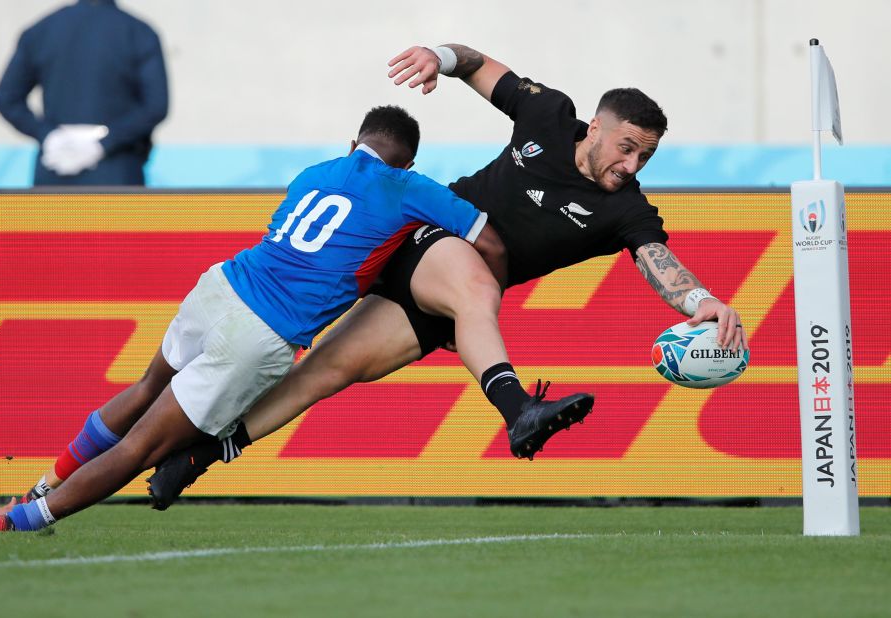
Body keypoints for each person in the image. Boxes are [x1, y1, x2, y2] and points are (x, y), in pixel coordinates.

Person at [137, 42, 750, 510]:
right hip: (430, 236)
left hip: (450, 296)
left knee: (325, 373)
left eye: (646, 154)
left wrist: (700, 301)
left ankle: (199, 456)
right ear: (594, 127)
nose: (632, 162)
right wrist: (439, 55)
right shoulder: (548, 114)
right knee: (482, 282)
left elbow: (657, 262)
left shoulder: (627, 208)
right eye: (626, 146)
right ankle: (518, 412)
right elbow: (476, 63)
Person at [0, 105, 589, 532]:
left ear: (353, 145)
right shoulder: (408, 188)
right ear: (408, 160)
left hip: (221, 286)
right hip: (260, 331)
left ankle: (45, 482)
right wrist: (469, 307)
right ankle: (17, 520)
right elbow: (492, 245)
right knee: (145, 445)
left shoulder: (315, 172)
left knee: (146, 390)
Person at [0, 0, 168, 186]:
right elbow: (155, 105)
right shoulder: (138, 32)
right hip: (116, 173)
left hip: (55, 169)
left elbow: (6, 98)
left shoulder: (42, 30)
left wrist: (49, 135)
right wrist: (104, 142)